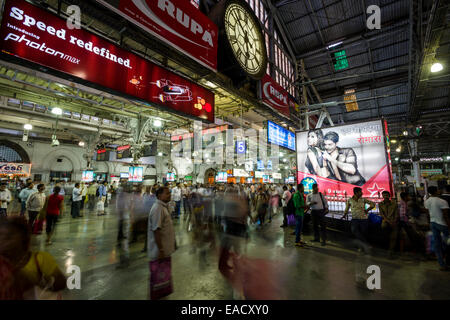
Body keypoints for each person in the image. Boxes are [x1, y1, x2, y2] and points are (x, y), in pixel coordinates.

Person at [0, 217, 67, 300]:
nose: (2, 241)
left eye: (8, 237)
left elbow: (61, 282)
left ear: (24, 238)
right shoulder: (3, 263)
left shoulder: (40, 259)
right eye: (0, 236)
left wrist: (40, 288)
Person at [147, 187, 176, 300]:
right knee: (158, 279)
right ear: (159, 195)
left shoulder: (163, 207)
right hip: (158, 252)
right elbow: (156, 230)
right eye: (167, 193)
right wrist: (161, 250)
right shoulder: (158, 208)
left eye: (170, 193)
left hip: (163, 251)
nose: (170, 195)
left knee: (162, 279)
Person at [342, 187, 375, 254]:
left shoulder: (363, 200)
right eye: (360, 192)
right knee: (354, 231)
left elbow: (373, 204)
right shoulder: (350, 200)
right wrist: (344, 215)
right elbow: (347, 208)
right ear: (356, 193)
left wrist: (367, 210)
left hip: (364, 219)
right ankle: (366, 245)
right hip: (355, 219)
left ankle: (361, 248)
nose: (362, 193)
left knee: (363, 233)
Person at [424, 186, 449, 271]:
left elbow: (427, 214)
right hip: (442, 224)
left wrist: (429, 223)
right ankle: (447, 259)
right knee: (448, 242)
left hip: (433, 223)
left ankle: (442, 264)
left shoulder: (427, 202)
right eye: (438, 189)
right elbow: (446, 216)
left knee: (437, 244)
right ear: (436, 191)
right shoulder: (442, 201)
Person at [379, 191, 399, 258]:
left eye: (387, 195)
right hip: (385, 221)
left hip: (393, 221)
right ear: (382, 196)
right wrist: (388, 221)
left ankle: (390, 251)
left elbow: (396, 214)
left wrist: (394, 221)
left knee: (393, 237)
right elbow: (382, 214)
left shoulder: (394, 204)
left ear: (389, 196)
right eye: (384, 195)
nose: (385, 197)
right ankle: (386, 250)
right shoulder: (380, 204)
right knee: (384, 229)